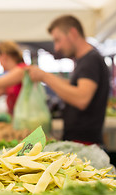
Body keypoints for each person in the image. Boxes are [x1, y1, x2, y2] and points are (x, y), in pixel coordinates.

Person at [27, 15, 110, 145]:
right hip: (80, 141)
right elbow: (73, 86)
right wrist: (46, 75)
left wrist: (45, 77)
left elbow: (81, 98)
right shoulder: (84, 60)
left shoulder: (91, 60)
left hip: (85, 144)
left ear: (72, 33)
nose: (56, 47)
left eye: (58, 40)